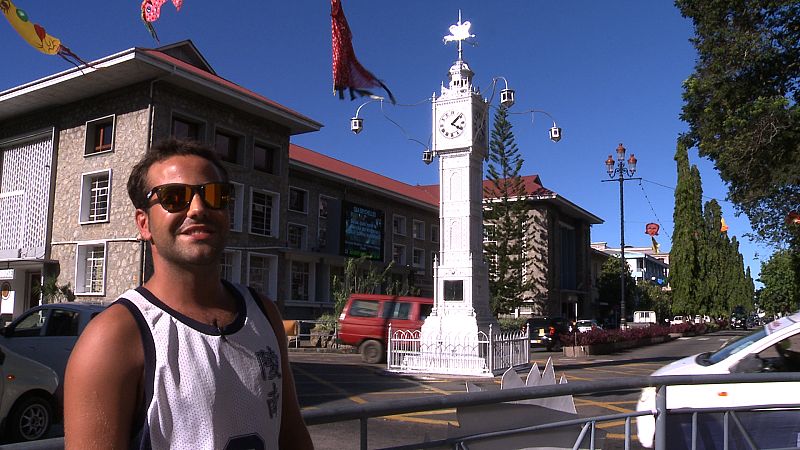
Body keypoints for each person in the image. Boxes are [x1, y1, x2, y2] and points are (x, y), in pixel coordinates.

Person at [64, 139, 314, 450]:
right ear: (144, 223)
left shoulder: (263, 313)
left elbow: (291, 434)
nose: (198, 208)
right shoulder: (113, 337)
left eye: (214, 195)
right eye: (173, 197)